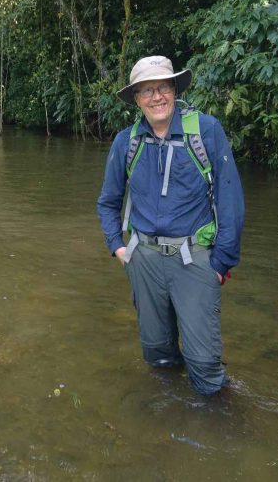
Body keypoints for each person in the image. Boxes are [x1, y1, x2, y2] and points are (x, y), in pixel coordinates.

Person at [97, 56, 245, 396]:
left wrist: (222, 263)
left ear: (174, 90)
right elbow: (107, 201)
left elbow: (230, 200)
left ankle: (216, 428)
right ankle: (166, 415)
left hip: (195, 260)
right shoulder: (126, 142)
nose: (156, 97)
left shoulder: (206, 131)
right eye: (146, 91)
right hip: (143, 259)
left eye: (162, 87)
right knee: (156, 353)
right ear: (136, 99)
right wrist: (118, 247)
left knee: (204, 362)